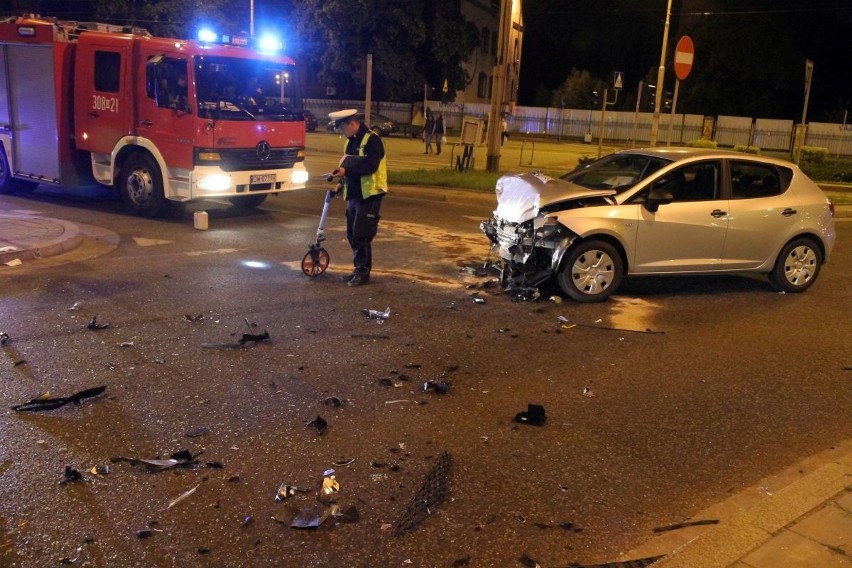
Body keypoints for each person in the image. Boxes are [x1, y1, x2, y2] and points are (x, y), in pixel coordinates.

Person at [328, 109, 388, 287]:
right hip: (354, 194)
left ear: (351, 124)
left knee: (361, 234)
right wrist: (340, 183)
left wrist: (347, 171)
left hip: (370, 194)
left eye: (342, 130)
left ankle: (363, 272)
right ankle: (358, 269)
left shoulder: (373, 140)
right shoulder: (350, 143)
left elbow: (371, 166)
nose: (342, 134)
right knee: (351, 235)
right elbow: (348, 165)